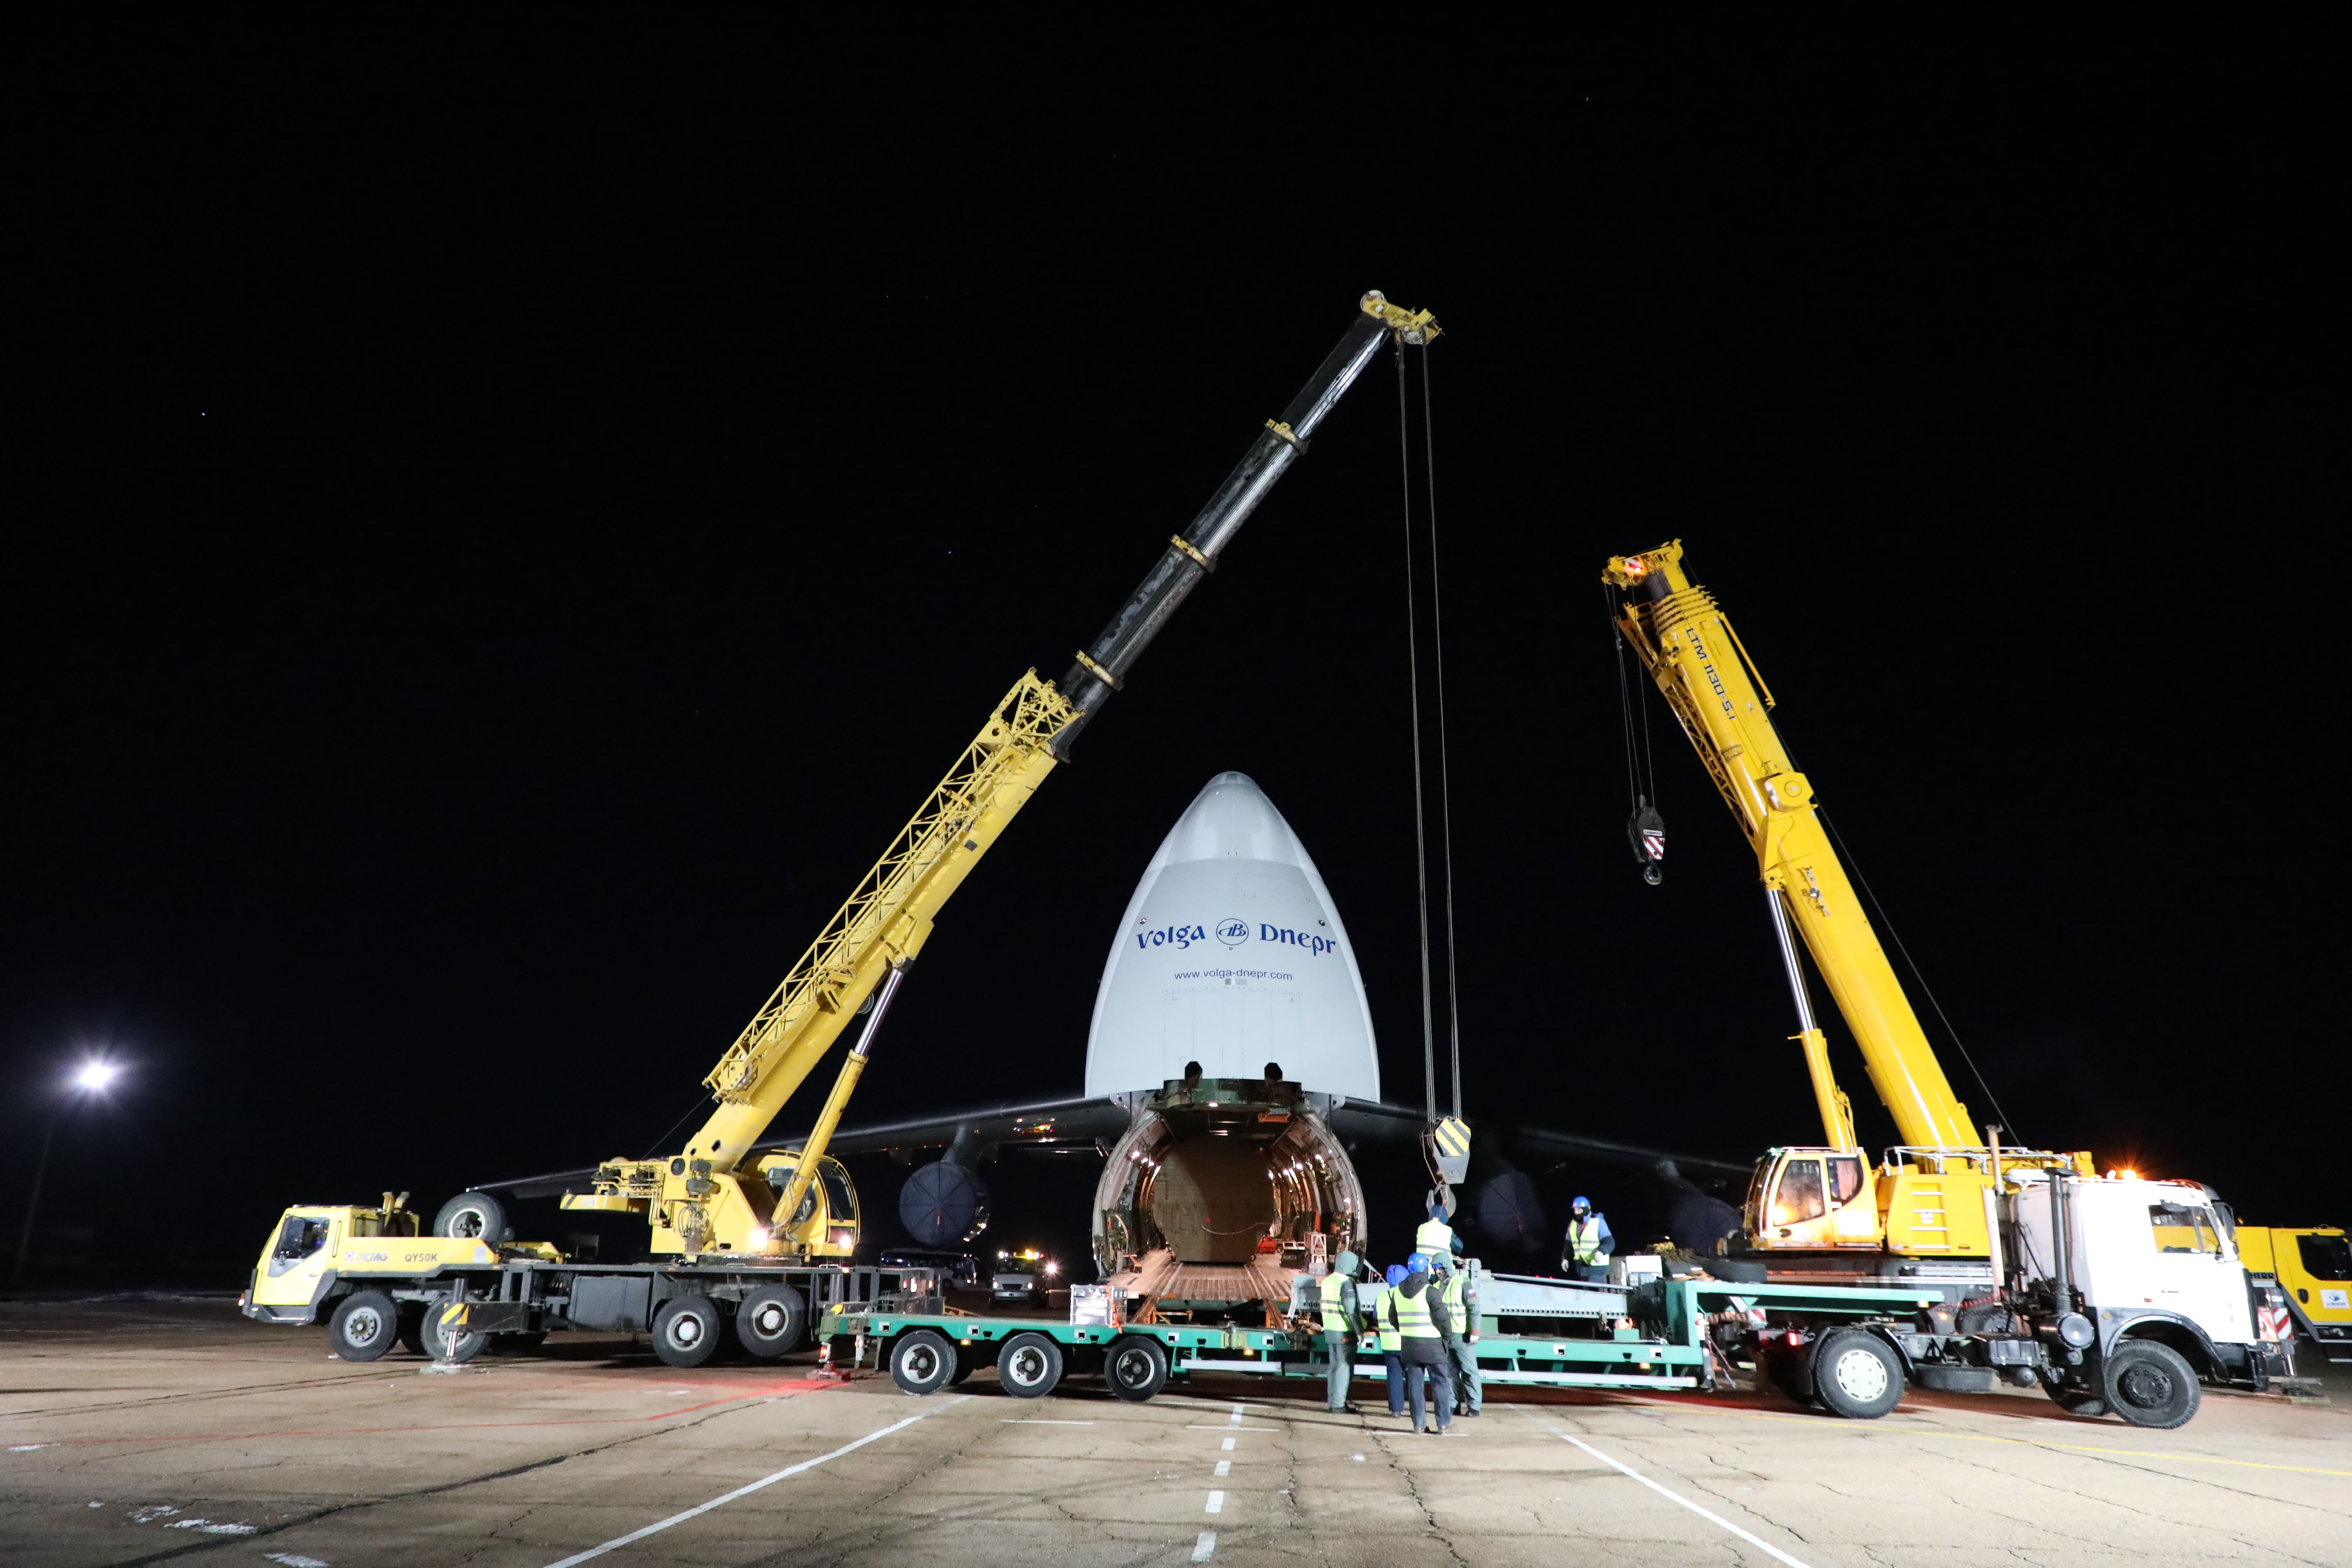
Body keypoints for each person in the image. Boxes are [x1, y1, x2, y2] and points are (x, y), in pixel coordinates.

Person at [1379, 1253, 1457, 1434]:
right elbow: (1443, 1319)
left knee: (1415, 1387)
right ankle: (1443, 1423)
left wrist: (1406, 1331)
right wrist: (1447, 1338)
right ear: (1424, 1270)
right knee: (1440, 1384)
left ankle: (1419, 1425)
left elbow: (1393, 1317)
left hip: (1410, 1346)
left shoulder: (1398, 1291)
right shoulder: (1430, 1291)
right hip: (1433, 1347)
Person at [1314, 1249, 1362, 1413]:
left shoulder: (1328, 1282)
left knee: (1334, 1367)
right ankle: (1339, 1405)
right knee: (1344, 1368)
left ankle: (1333, 1402)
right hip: (1344, 1331)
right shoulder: (1346, 1283)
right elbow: (1351, 1311)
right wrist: (1360, 1331)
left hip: (1330, 1330)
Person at [1435, 1254, 1482, 1418]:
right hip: (1447, 1337)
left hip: (1463, 1337)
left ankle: (1474, 1406)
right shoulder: (1437, 1286)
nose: (1438, 1272)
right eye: (1436, 1269)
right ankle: (1453, 1405)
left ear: (1447, 1267)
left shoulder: (1462, 1283)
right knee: (1450, 1373)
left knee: (1469, 1371)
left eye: (1440, 1268)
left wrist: (1475, 1332)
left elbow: (1474, 1308)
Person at [1373, 1263, 1408, 1417]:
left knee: (1394, 1377)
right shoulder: (1408, 1296)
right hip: (1407, 1344)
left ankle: (1396, 1410)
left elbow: (1376, 1317)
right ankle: (1416, 1409)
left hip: (1388, 1344)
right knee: (1413, 1378)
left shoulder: (1381, 1297)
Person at [1563, 1195, 1614, 1282]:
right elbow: (1568, 1244)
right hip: (1581, 1267)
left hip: (1596, 1266)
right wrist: (1565, 1258)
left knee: (1594, 1289)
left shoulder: (1598, 1222)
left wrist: (1601, 1251)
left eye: (1579, 1210)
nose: (1576, 1213)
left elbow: (1610, 1241)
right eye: (1575, 1210)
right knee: (1586, 1289)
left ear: (1587, 1209)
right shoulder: (1573, 1224)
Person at [1414, 1191, 1464, 1269]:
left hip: (1423, 1271)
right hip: (1441, 1272)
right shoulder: (1447, 1231)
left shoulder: (1421, 1228)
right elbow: (1459, 1247)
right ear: (1445, 1217)